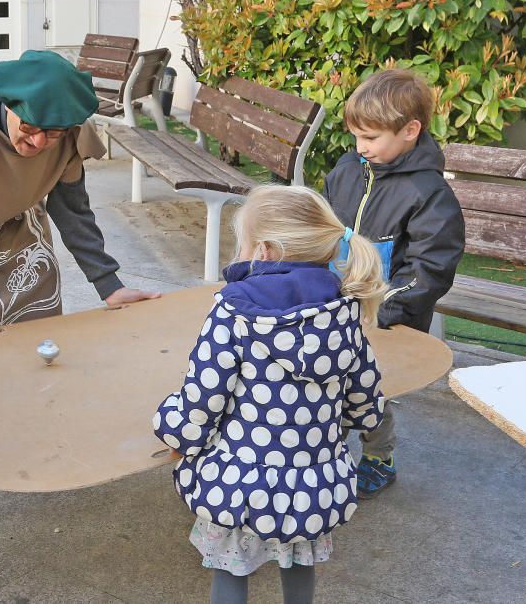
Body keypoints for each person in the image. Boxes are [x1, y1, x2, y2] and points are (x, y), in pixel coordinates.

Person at [153, 185, 388, 604]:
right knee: (300, 564)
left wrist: (171, 424)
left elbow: (203, 401)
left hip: (239, 486)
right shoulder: (345, 311)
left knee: (231, 568)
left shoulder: (233, 311)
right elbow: (365, 400)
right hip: (314, 487)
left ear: (262, 250)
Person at [0, 49, 159, 339]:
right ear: (9, 106)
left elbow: (73, 212)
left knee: (35, 308)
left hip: (14, 203)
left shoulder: (71, 126)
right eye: (28, 126)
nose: (39, 141)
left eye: (53, 133)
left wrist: (110, 286)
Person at [323, 69, 465, 498]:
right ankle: (325, 453)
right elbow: (326, 230)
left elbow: (432, 266)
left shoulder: (428, 192)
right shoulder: (348, 170)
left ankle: (377, 458)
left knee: (372, 388)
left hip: (391, 315)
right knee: (327, 379)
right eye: (356, 138)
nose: (360, 148)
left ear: (410, 130)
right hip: (336, 304)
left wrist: (386, 308)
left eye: (370, 139)